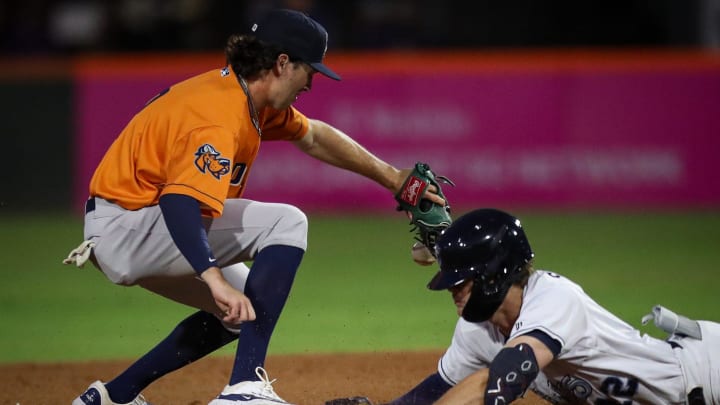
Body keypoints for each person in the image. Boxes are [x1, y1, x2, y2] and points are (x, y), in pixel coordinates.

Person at [64, 8, 445, 405]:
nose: (311, 84)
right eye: (309, 71)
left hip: (131, 223)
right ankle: (244, 388)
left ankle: (114, 396)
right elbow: (179, 202)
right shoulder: (218, 115)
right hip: (130, 225)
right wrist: (211, 277)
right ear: (282, 63)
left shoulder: (243, 95)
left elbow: (314, 136)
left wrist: (393, 179)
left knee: (247, 307)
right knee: (286, 223)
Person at [421, 208, 719, 404]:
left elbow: (503, 376)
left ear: (494, 275)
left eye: (462, 279)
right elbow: (434, 392)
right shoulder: (476, 331)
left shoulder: (553, 298)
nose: (451, 288)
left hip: (706, 376)